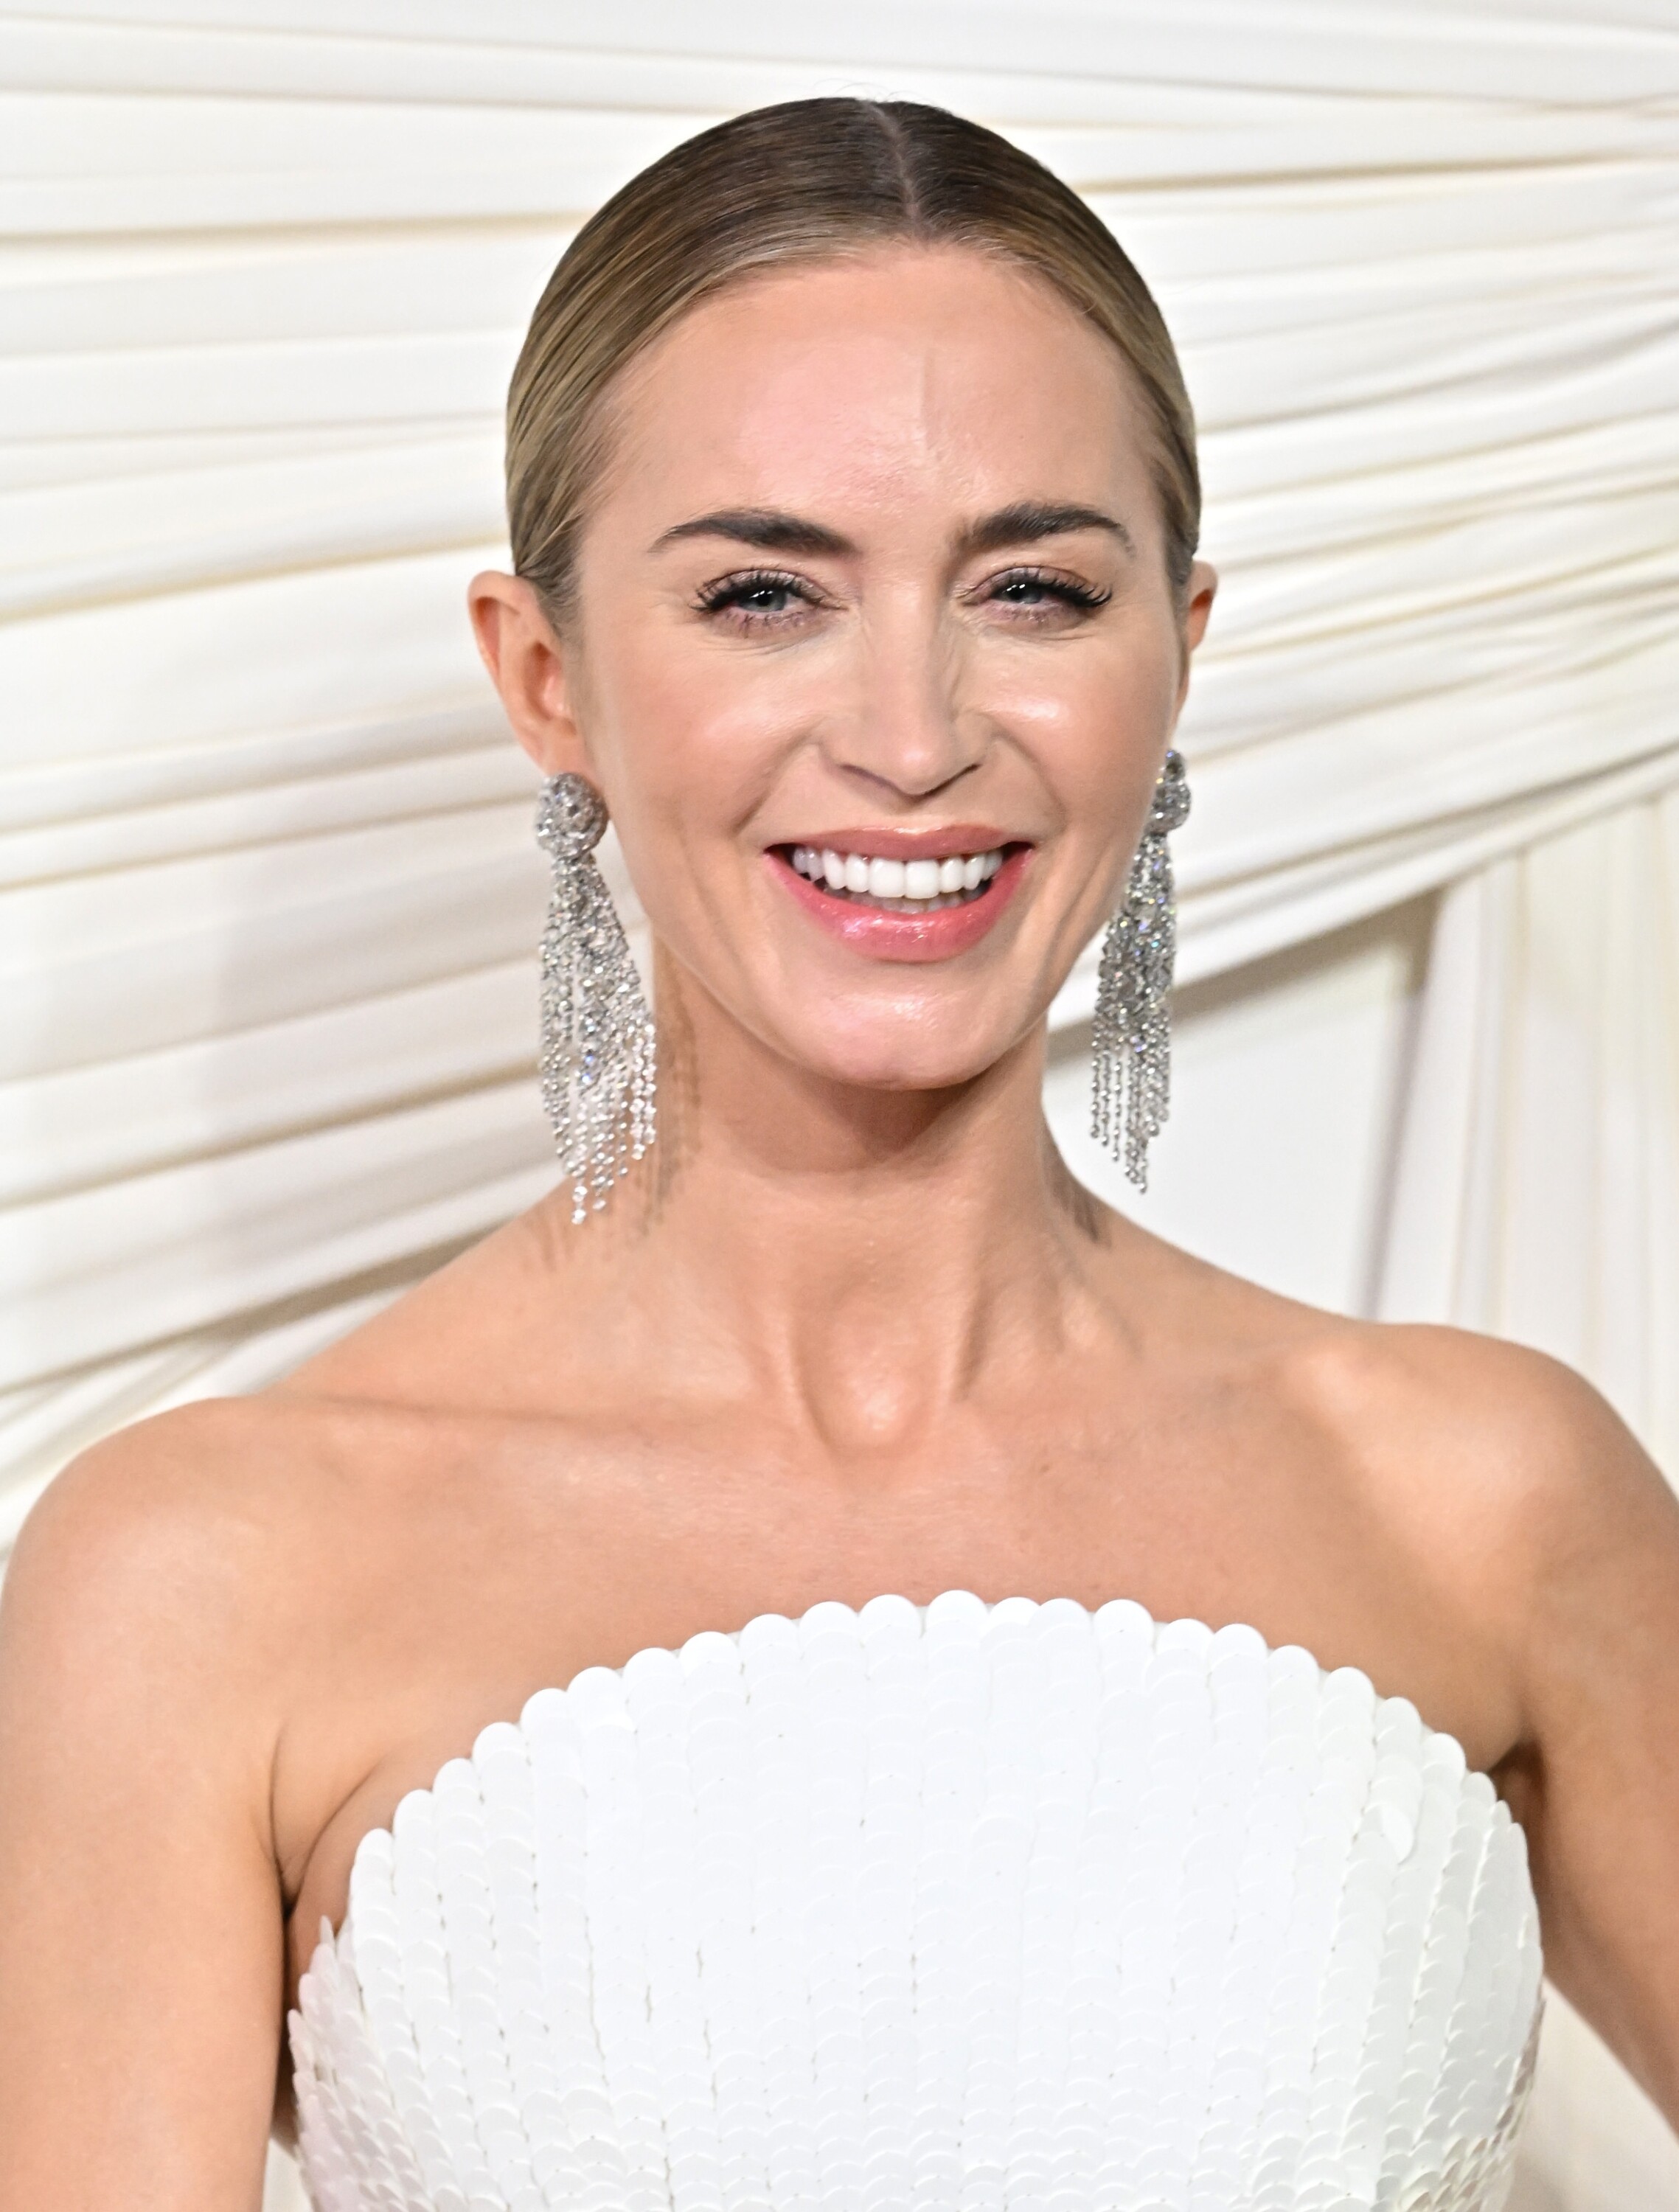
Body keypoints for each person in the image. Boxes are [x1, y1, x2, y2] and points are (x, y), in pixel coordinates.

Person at [0, 97, 1675, 2212]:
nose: (911, 733)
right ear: (547, 677)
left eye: (1035, 589)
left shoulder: (1482, 1501)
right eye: (765, 594)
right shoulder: (201, 1577)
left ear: (1181, 650)